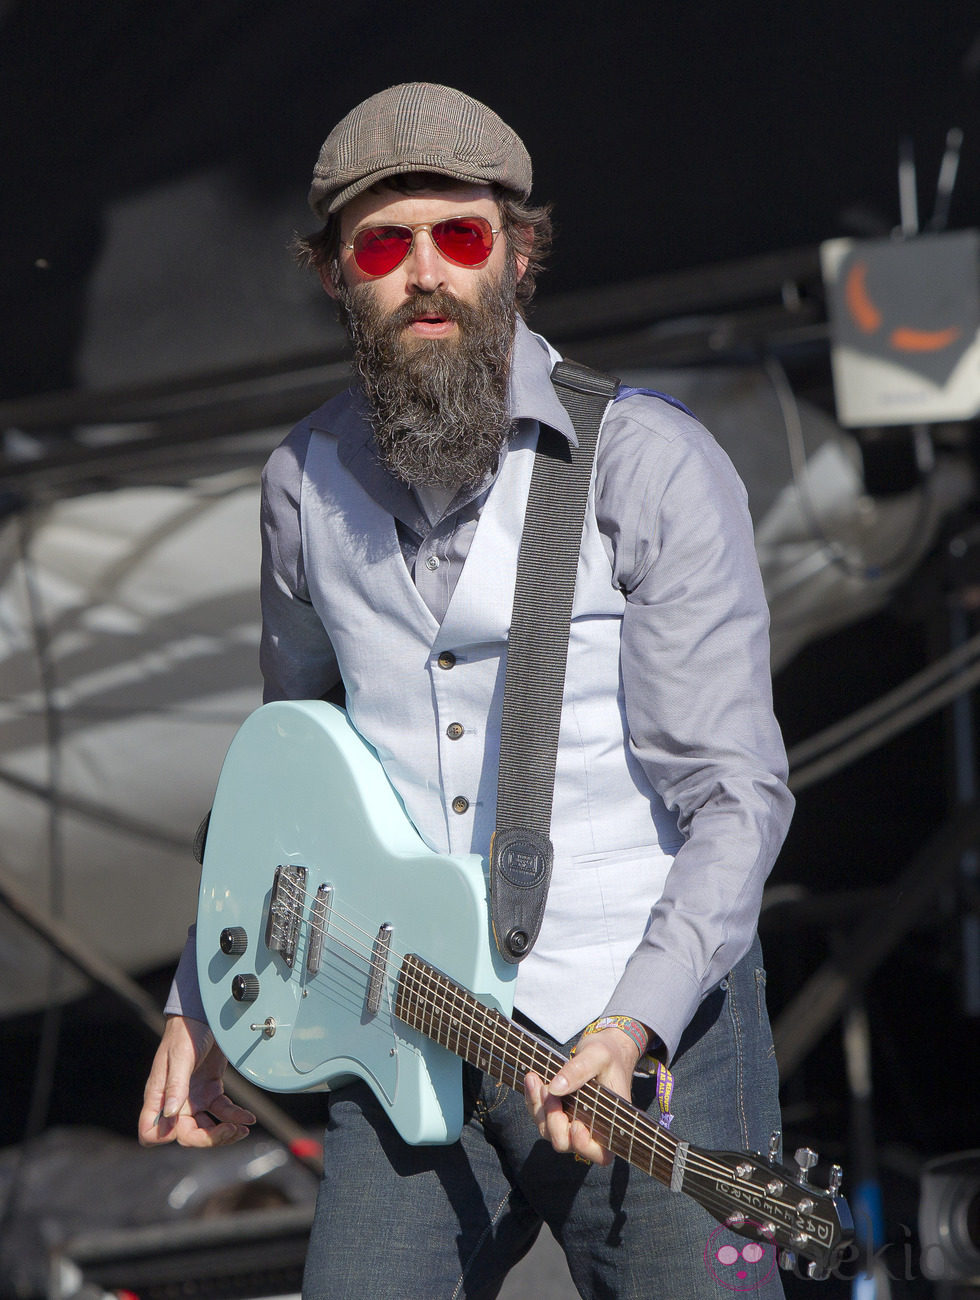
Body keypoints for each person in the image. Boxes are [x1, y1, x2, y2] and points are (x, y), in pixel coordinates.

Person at [139, 82, 795, 1299]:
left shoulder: (646, 467)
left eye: (462, 236)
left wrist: (631, 1023)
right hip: (404, 1024)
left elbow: (736, 798)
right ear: (336, 275)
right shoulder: (299, 482)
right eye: (384, 245)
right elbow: (288, 773)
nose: (425, 274)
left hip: (642, 1033)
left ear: (519, 255)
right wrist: (209, 992)